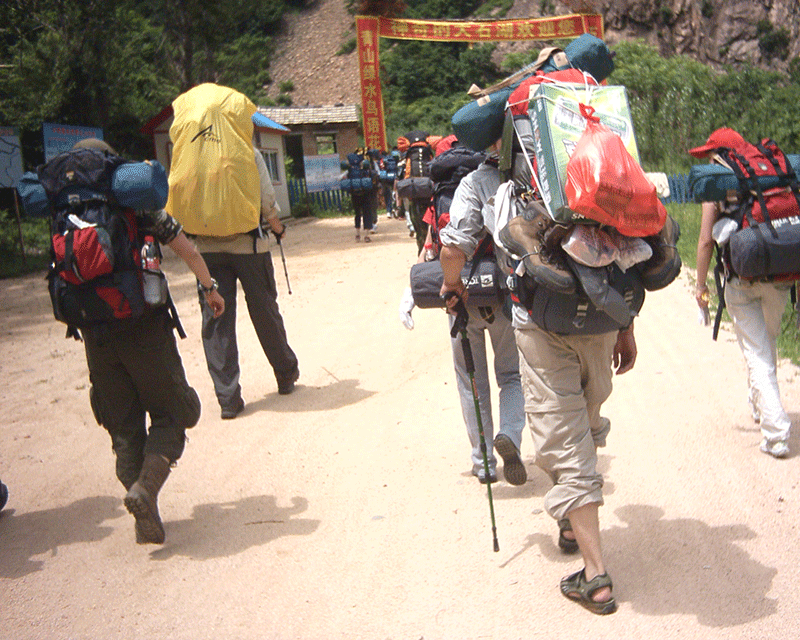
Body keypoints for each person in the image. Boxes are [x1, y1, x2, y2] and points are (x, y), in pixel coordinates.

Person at [441, 135, 639, 614]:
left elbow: (454, 246)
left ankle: (596, 579)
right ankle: (573, 520)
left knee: (561, 433)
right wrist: (625, 326)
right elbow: (622, 248)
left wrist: (451, 287)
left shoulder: (477, 181)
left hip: (537, 319)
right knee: (586, 419)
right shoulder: (584, 162)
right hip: (599, 315)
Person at [58, 138, 225, 545]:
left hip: (94, 335)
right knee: (173, 414)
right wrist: (211, 289)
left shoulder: (65, 209)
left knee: (124, 429)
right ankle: (146, 490)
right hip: (144, 329)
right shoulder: (136, 206)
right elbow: (188, 251)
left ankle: (139, 501)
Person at [691, 128, 793, 458]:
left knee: (757, 353)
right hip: (781, 274)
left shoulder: (722, 182)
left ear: (721, 153)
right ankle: (759, 404)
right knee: (767, 344)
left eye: (710, 153)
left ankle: (776, 434)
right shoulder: (772, 172)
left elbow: (706, 241)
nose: (709, 159)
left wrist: (701, 286)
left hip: (741, 281)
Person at [435, 144, 526, 485]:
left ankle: (484, 461)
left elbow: (447, 248)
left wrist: (452, 285)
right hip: (504, 293)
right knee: (512, 377)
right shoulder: (521, 179)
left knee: (471, 382)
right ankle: (511, 435)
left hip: (464, 298)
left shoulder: (468, 185)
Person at [192, 147, 300, 416]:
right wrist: (278, 228)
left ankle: (228, 399)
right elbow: (266, 199)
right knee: (264, 311)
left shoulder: (193, 152)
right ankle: (285, 375)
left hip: (207, 250)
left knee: (217, 320)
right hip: (250, 247)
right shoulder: (246, 151)